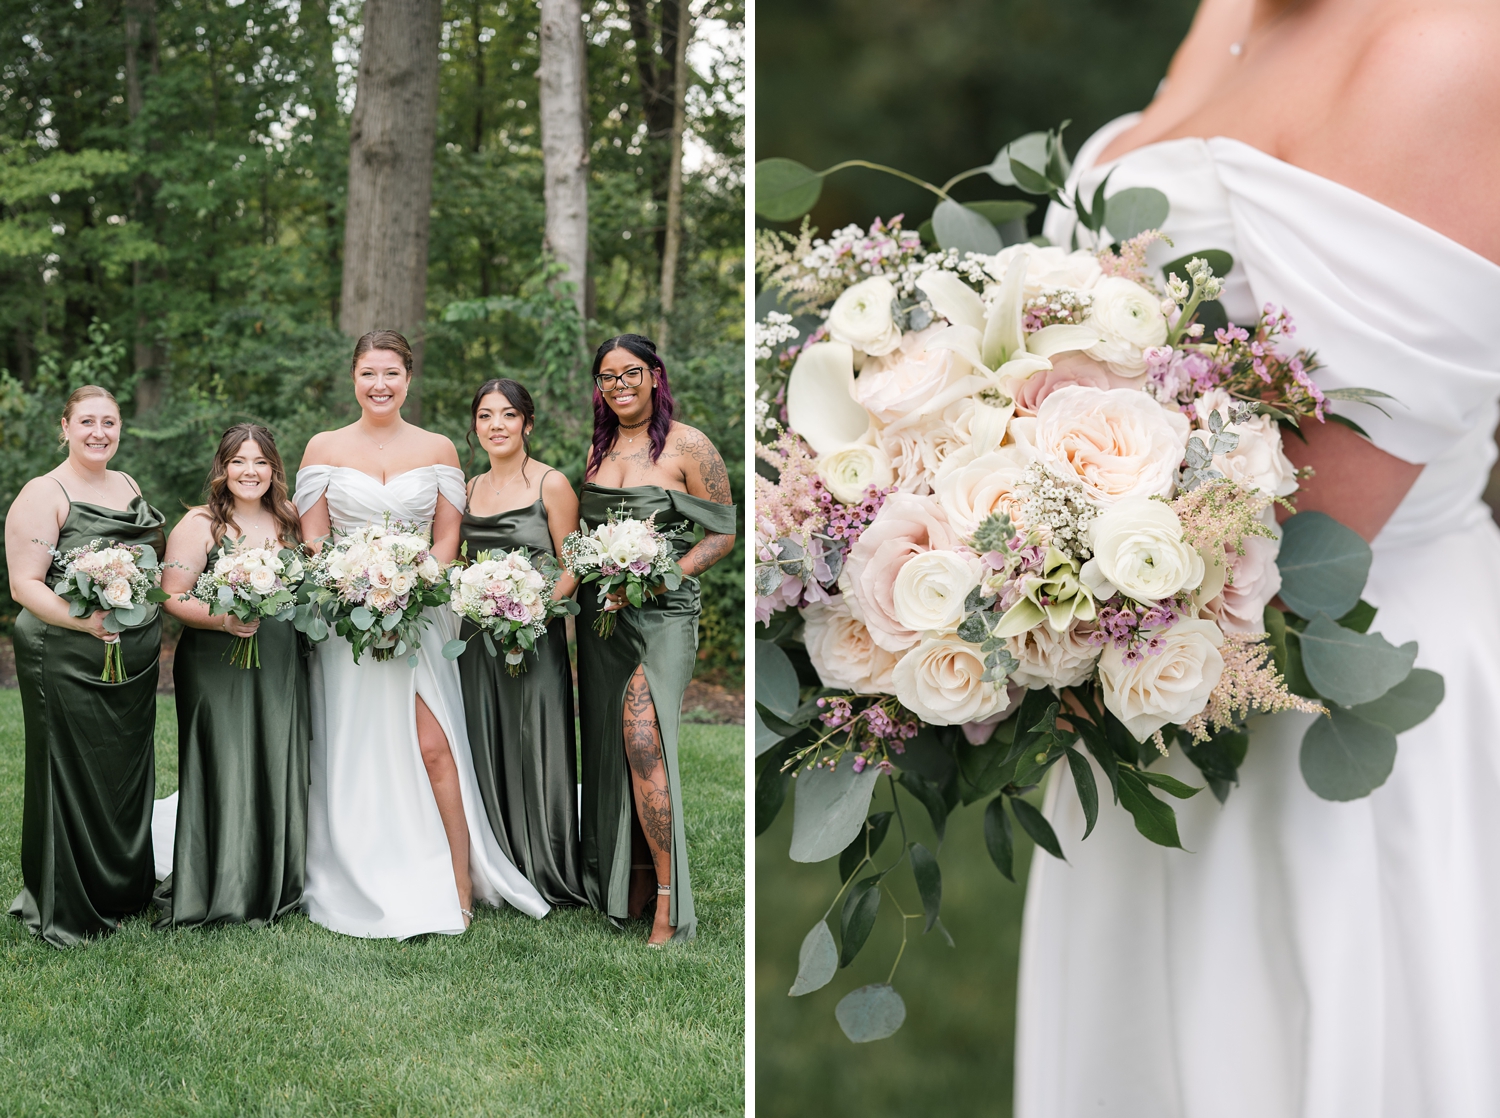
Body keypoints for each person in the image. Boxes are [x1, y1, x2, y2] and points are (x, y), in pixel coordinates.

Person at [1015, 2, 1500, 1115]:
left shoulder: (1451, 46)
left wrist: (978, 568)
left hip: (1330, 691)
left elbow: (1304, 532)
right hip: (1145, 702)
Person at [294, 330, 548, 938]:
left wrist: (412, 584)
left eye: (391, 374)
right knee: (355, 747)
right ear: (353, 378)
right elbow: (313, 539)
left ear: (409, 379)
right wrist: (355, 585)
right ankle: (356, 868)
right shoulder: (323, 446)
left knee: (434, 746)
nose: (379, 385)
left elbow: (446, 538)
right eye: (368, 373)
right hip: (346, 617)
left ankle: (459, 881)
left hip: (420, 614)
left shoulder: (437, 447)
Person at [574, 334, 736, 945]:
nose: (619, 386)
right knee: (611, 745)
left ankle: (670, 898)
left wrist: (661, 575)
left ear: (655, 375)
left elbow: (722, 534)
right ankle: (627, 886)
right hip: (603, 616)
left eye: (631, 373)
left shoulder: (690, 446)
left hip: (664, 614)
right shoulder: (598, 448)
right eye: (608, 377)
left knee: (645, 737)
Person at [3, 385, 166, 947]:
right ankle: (66, 900)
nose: (100, 432)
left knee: (120, 771)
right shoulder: (42, 492)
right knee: (69, 770)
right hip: (64, 652)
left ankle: (122, 890)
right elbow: (24, 585)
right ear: (64, 427)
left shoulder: (127, 484)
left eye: (110, 422)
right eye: (88, 422)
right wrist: (86, 622)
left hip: (128, 659)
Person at [152, 424, 310, 928]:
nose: (249, 472)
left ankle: (275, 880)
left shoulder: (289, 521)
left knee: (274, 756)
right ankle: (219, 882)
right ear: (222, 468)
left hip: (281, 658)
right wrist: (224, 618)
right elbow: (171, 595)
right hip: (216, 662)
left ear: (273, 470)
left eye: (260, 462)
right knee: (225, 761)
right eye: (238, 461)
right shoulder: (198, 524)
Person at [456, 378, 589, 907]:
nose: (496, 426)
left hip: (535, 634)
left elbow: (573, 561)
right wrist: (477, 602)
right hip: (477, 638)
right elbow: (459, 562)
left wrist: (533, 612)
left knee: (536, 738)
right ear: (476, 427)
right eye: (485, 416)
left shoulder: (551, 484)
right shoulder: (468, 488)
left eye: (507, 415)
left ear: (527, 423)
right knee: (485, 739)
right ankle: (498, 860)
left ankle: (546, 864)